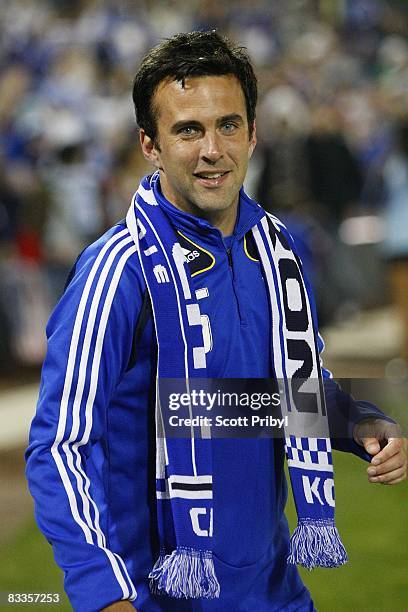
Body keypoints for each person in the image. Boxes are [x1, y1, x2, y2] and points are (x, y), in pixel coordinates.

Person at [25, 31, 407, 612]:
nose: (213, 149)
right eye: (188, 130)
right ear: (149, 145)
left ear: (253, 134)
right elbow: (60, 445)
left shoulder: (275, 249)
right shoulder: (117, 271)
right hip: (158, 597)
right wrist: (105, 594)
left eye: (228, 125)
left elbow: (270, 397)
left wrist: (358, 423)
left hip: (275, 591)